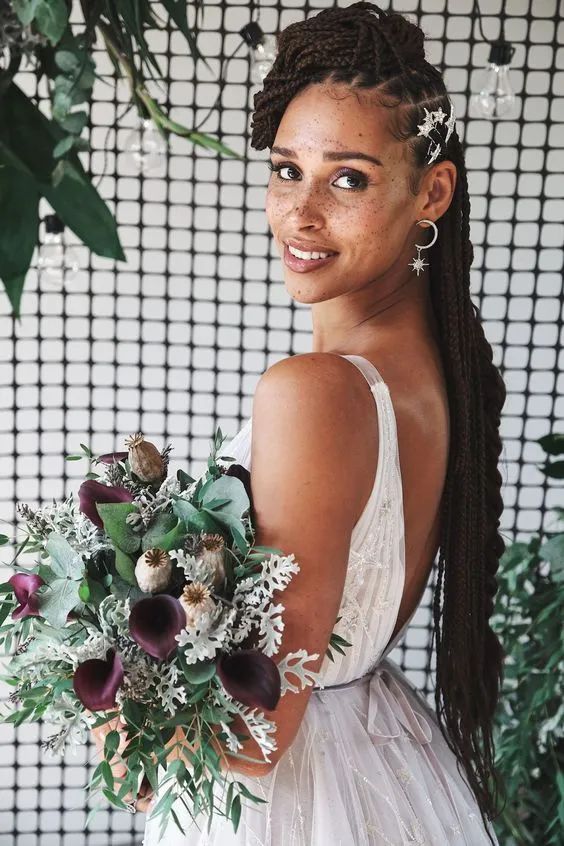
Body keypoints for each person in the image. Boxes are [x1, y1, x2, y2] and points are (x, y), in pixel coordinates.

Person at [140, 3, 509, 843]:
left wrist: (128, 719)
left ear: (432, 192)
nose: (300, 214)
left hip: (290, 804)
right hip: (379, 757)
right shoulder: (426, 375)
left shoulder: (318, 391)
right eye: (285, 170)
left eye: (347, 178)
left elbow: (259, 730)